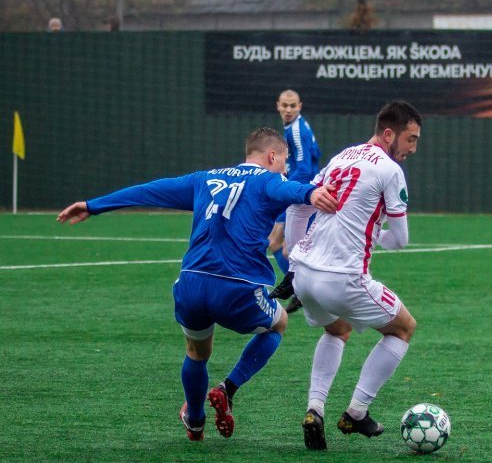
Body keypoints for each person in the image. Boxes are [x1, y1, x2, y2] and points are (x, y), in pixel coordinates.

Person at [57, 128, 339, 440]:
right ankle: (228, 388)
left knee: (197, 352)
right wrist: (311, 193)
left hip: (192, 283)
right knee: (279, 324)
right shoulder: (268, 180)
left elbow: (151, 190)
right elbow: (290, 191)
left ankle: (195, 420)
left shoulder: (204, 178)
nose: (285, 168)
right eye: (284, 160)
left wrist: (93, 205)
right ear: (272, 156)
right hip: (237, 287)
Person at [283, 100, 421, 450]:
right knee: (404, 328)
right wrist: (374, 233)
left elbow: (298, 205)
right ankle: (357, 411)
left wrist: (292, 260)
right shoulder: (390, 169)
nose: (412, 148)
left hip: (304, 275)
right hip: (342, 278)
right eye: (410, 139)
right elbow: (400, 240)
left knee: (337, 328)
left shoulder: (341, 157)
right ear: (388, 134)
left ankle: (315, 409)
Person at [268, 89, 322, 305]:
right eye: (285, 105)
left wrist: (284, 188)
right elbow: (315, 154)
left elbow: (305, 168)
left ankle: (301, 290)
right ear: (278, 106)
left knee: (277, 243)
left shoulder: (297, 130)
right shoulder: (296, 127)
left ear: (300, 106)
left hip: (300, 194)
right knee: (283, 247)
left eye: (292, 106)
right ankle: (300, 290)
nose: (288, 109)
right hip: (302, 192)